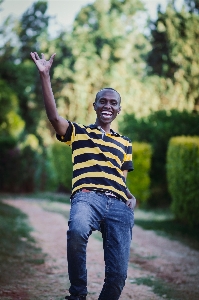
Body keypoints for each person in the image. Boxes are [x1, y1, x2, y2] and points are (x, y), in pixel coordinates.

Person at [30, 52, 136, 300]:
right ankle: (77, 294)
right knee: (77, 231)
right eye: (103, 101)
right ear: (95, 106)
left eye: (113, 103)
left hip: (119, 205)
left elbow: (121, 177)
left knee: (118, 277)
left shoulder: (125, 143)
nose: (108, 106)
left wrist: (130, 197)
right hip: (87, 198)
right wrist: (45, 75)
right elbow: (54, 118)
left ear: (119, 109)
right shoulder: (78, 132)